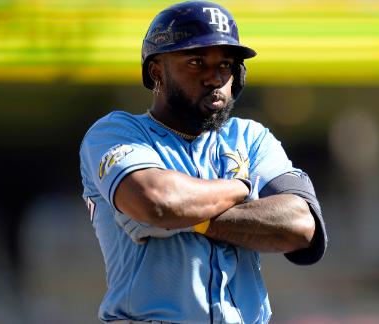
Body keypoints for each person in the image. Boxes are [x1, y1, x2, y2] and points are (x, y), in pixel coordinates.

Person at [79, 1, 327, 323]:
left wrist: (193, 217)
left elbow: (301, 225)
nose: (214, 77)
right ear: (157, 71)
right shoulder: (117, 133)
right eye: (196, 62)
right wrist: (241, 189)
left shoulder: (250, 137)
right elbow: (158, 203)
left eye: (225, 64)